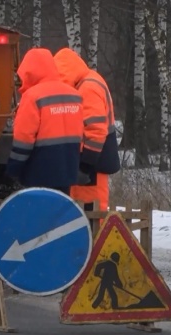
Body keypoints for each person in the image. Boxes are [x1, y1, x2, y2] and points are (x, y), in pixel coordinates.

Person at [5, 48, 84, 195]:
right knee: (59, 214)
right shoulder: (75, 95)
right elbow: (80, 134)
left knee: (40, 214)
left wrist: (13, 169)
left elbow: (23, 139)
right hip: (68, 167)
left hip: (39, 171)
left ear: (29, 71)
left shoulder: (32, 96)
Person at [53, 47, 121, 213]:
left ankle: (95, 239)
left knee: (92, 213)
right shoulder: (88, 81)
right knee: (86, 212)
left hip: (93, 165)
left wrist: (84, 166)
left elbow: (96, 131)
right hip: (94, 162)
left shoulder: (87, 88)